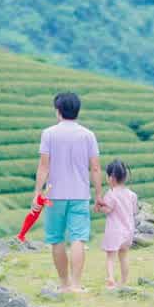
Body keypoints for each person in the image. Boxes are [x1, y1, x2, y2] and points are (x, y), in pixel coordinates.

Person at [34, 91, 102, 292]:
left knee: (56, 239)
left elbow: (44, 167)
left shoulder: (49, 134)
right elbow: (96, 168)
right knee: (78, 238)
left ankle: (64, 284)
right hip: (80, 193)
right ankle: (76, 285)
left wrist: (38, 192)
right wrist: (99, 195)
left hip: (54, 195)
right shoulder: (88, 135)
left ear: (58, 111)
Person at [95, 159, 138, 288]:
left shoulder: (111, 194)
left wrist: (99, 207)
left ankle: (111, 278)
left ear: (111, 178)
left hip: (115, 231)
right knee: (124, 256)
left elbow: (107, 209)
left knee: (110, 257)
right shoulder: (132, 195)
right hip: (128, 231)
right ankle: (123, 281)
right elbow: (134, 211)